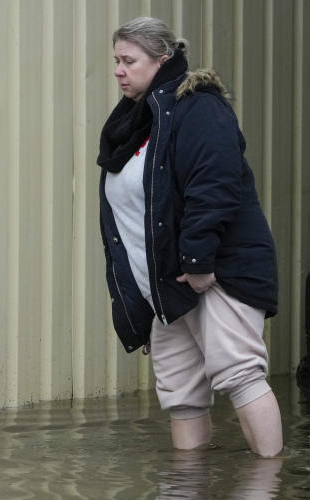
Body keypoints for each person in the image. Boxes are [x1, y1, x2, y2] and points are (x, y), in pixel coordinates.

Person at [97, 16, 283, 457]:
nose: (119, 70)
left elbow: (214, 185)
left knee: (239, 373)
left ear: (162, 60)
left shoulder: (199, 107)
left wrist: (199, 263)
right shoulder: (138, 123)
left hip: (216, 273)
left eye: (129, 60)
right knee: (179, 391)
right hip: (167, 285)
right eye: (116, 61)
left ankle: (267, 493)